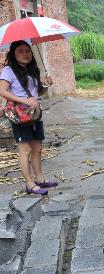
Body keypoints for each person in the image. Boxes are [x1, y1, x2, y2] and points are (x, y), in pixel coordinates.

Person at [0, 40, 56, 195]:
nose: (25, 54)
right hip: (20, 115)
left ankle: (40, 179)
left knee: (37, 148)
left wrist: (45, 85)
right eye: (20, 51)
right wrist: (25, 101)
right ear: (13, 54)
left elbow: (37, 94)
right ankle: (30, 184)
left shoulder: (32, 70)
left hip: (34, 114)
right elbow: (2, 91)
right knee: (25, 150)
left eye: (28, 50)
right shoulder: (8, 71)